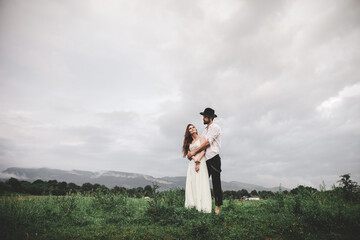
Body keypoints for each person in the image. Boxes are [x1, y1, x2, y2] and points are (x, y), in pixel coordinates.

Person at [187, 107, 223, 214]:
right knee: (203, 183)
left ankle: (217, 206)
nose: (203, 118)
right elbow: (199, 142)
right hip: (204, 160)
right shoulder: (204, 130)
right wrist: (192, 154)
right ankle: (202, 205)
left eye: (204, 117)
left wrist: (194, 152)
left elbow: (207, 143)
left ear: (210, 117)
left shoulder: (215, 127)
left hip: (214, 158)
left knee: (216, 183)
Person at [182, 124, 212, 213]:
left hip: (201, 161)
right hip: (192, 163)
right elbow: (189, 155)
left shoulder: (201, 138)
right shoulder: (188, 143)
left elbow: (204, 150)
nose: (192, 129)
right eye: (190, 128)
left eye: (193, 127)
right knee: (193, 183)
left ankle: (203, 206)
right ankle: (193, 205)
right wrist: (195, 161)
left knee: (201, 181)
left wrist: (198, 160)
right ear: (189, 132)